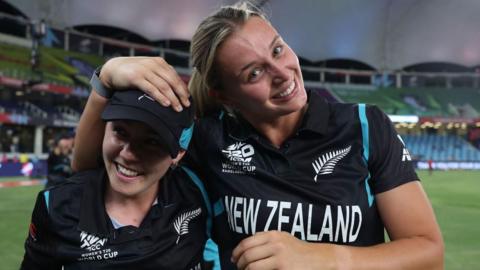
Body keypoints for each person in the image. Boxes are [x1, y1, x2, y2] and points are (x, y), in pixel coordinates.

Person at [73, 2, 444, 269]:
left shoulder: (364, 125)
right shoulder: (206, 139)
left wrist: (327, 258)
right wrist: (104, 79)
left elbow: (428, 252)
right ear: (223, 94)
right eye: (254, 73)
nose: (283, 73)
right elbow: (91, 176)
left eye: (279, 49)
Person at [22, 89, 217, 269]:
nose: (128, 154)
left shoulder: (197, 192)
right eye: (120, 131)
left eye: (151, 141)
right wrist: (104, 78)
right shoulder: (58, 204)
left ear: (179, 152)